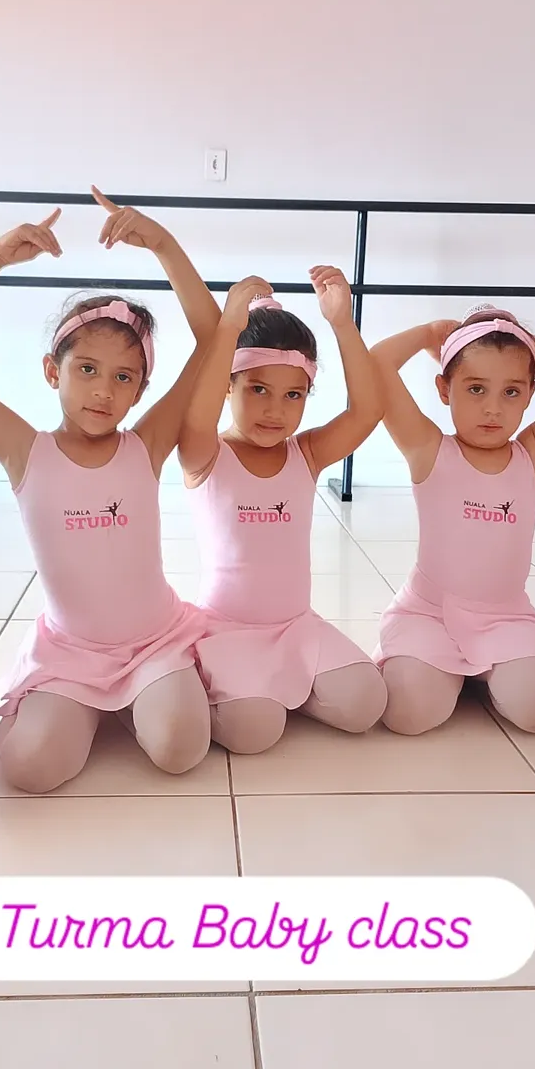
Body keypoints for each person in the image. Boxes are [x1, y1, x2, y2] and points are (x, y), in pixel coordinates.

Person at [0, 189, 220, 790]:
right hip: (72, 652)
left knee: (181, 749)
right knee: (28, 768)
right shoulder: (25, 450)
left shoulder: (146, 445)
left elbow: (213, 338)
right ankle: (87, 703)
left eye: (123, 377)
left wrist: (164, 245)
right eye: (86, 369)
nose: (103, 391)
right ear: (53, 371)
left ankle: (143, 697)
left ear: (141, 391)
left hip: (154, 642)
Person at [177, 270, 388, 754]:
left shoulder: (305, 454)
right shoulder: (204, 454)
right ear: (227, 385)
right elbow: (196, 414)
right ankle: (207, 679)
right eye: (257, 389)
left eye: (293, 394)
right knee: (255, 732)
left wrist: (343, 324)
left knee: (366, 703)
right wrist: (227, 330)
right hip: (227, 630)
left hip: (296, 626)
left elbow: (368, 411)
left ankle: (279, 687)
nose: (275, 410)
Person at [372, 306, 535, 734]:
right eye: (476, 389)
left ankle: (479, 672)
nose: (493, 408)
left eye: (511, 391)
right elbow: (377, 362)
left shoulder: (533, 453)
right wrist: (428, 333)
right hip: (429, 613)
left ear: (530, 394)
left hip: (505, 618)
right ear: (444, 388)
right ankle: (446, 671)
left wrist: (518, 339)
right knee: (409, 715)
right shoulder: (427, 448)